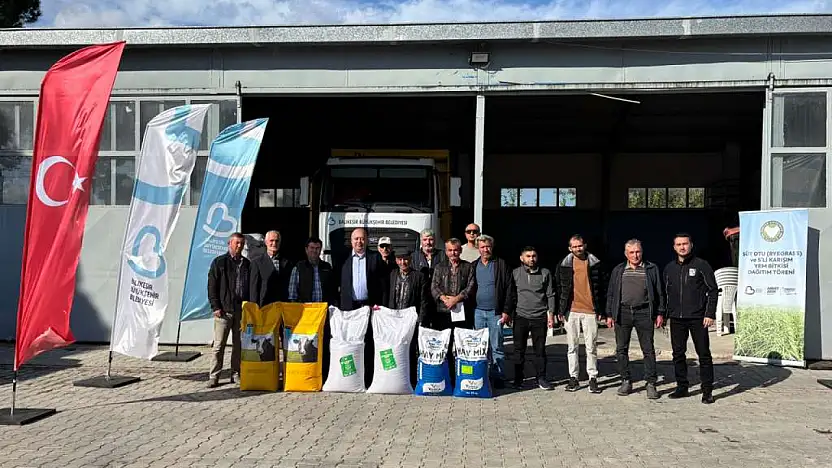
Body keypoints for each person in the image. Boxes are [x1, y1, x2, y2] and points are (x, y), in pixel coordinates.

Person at [606, 239, 665, 399]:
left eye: (638, 251)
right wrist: (609, 314)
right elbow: (611, 293)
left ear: (642, 251)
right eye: (631, 252)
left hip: (644, 313)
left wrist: (660, 312)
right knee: (621, 349)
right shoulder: (618, 270)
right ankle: (625, 380)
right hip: (623, 313)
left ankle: (651, 383)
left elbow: (659, 292)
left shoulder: (651, 269)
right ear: (626, 254)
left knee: (648, 349)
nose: (635, 255)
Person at [663, 233, 718, 404]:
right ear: (674, 247)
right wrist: (665, 315)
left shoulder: (702, 266)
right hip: (677, 318)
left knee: (703, 354)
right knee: (678, 354)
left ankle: (707, 390)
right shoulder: (669, 268)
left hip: (698, 318)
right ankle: (682, 387)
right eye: (678, 244)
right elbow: (665, 294)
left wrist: (709, 313)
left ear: (691, 245)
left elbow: (713, 291)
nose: (682, 247)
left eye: (685, 244)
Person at [556, 234, 606, 394]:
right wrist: (560, 309)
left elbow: (602, 288)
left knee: (591, 347)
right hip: (571, 311)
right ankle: (574, 378)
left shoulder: (595, 264)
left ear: (585, 245)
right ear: (570, 248)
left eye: (580, 245)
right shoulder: (563, 265)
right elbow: (559, 288)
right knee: (572, 347)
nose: (578, 248)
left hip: (590, 311)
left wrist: (601, 310)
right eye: (574, 246)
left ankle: (593, 378)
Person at [339, 227, 388, 387]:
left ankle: (368, 379)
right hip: (350, 308)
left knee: (368, 344)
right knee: (351, 343)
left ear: (367, 241)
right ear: (351, 241)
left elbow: (383, 284)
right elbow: (336, 284)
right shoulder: (342, 258)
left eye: (362, 239)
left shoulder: (375, 258)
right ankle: (351, 379)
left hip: (369, 307)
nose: (359, 242)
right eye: (356, 239)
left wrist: (380, 305)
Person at [206, 232, 250, 388]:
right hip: (223, 311)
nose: (239, 246)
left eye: (241, 244)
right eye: (236, 243)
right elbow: (212, 286)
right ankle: (214, 376)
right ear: (229, 243)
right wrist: (215, 306)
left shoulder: (246, 264)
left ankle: (235, 374)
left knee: (238, 345)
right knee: (219, 345)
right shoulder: (219, 262)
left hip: (240, 311)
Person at [472, 234, 516, 389]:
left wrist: (506, 311)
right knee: (481, 346)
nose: (486, 249)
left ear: (492, 247)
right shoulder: (473, 266)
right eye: (483, 247)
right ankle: (483, 375)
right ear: (478, 248)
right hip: (478, 312)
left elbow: (510, 289)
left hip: (495, 312)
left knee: (497, 345)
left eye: (488, 246)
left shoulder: (501, 265)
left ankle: (498, 376)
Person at [512, 246, 556, 390]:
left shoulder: (545, 273)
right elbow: (511, 295)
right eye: (528, 256)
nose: (531, 259)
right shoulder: (515, 273)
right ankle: (518, 379)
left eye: (534, 256)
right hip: (521, 316)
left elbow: (550, 295)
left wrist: (551, 315)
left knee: (540, 350)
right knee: (519, 350)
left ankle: (541, 378)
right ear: (521, 258)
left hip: (539, 317)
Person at [387, 248, 430, 387]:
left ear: (410, 260)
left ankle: (411, 379)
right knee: (396, 349)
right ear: (396, 261)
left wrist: (421, 319)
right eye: (400, 259)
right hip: (395, 318)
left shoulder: (419, 276)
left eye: (405, 259)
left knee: (411, 350)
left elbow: (424, 300)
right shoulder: (392, 274)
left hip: (411, 320)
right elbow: (388, 296)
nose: (403, 262)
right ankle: (396, 377)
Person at [428, 238, 476, 330]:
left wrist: (456, 299)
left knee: (461, 341)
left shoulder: (468, 267)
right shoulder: (439, 267)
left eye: (455, 250)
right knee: (445, 341)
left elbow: (471, 286)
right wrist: (446, 300)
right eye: (450, 250)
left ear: (460, 250)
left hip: (462, 310)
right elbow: (434, 287)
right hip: (443, 310)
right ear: (446, 252)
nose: (453, 253)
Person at [250, 230, 293, 306]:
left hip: (282, 307)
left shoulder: (287, 263)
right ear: (266, 242)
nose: (274, 243)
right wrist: (255, 308)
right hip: (264, 307)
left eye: (277, 241)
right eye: (271, 240)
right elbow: (254, 289)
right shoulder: (257, 262)